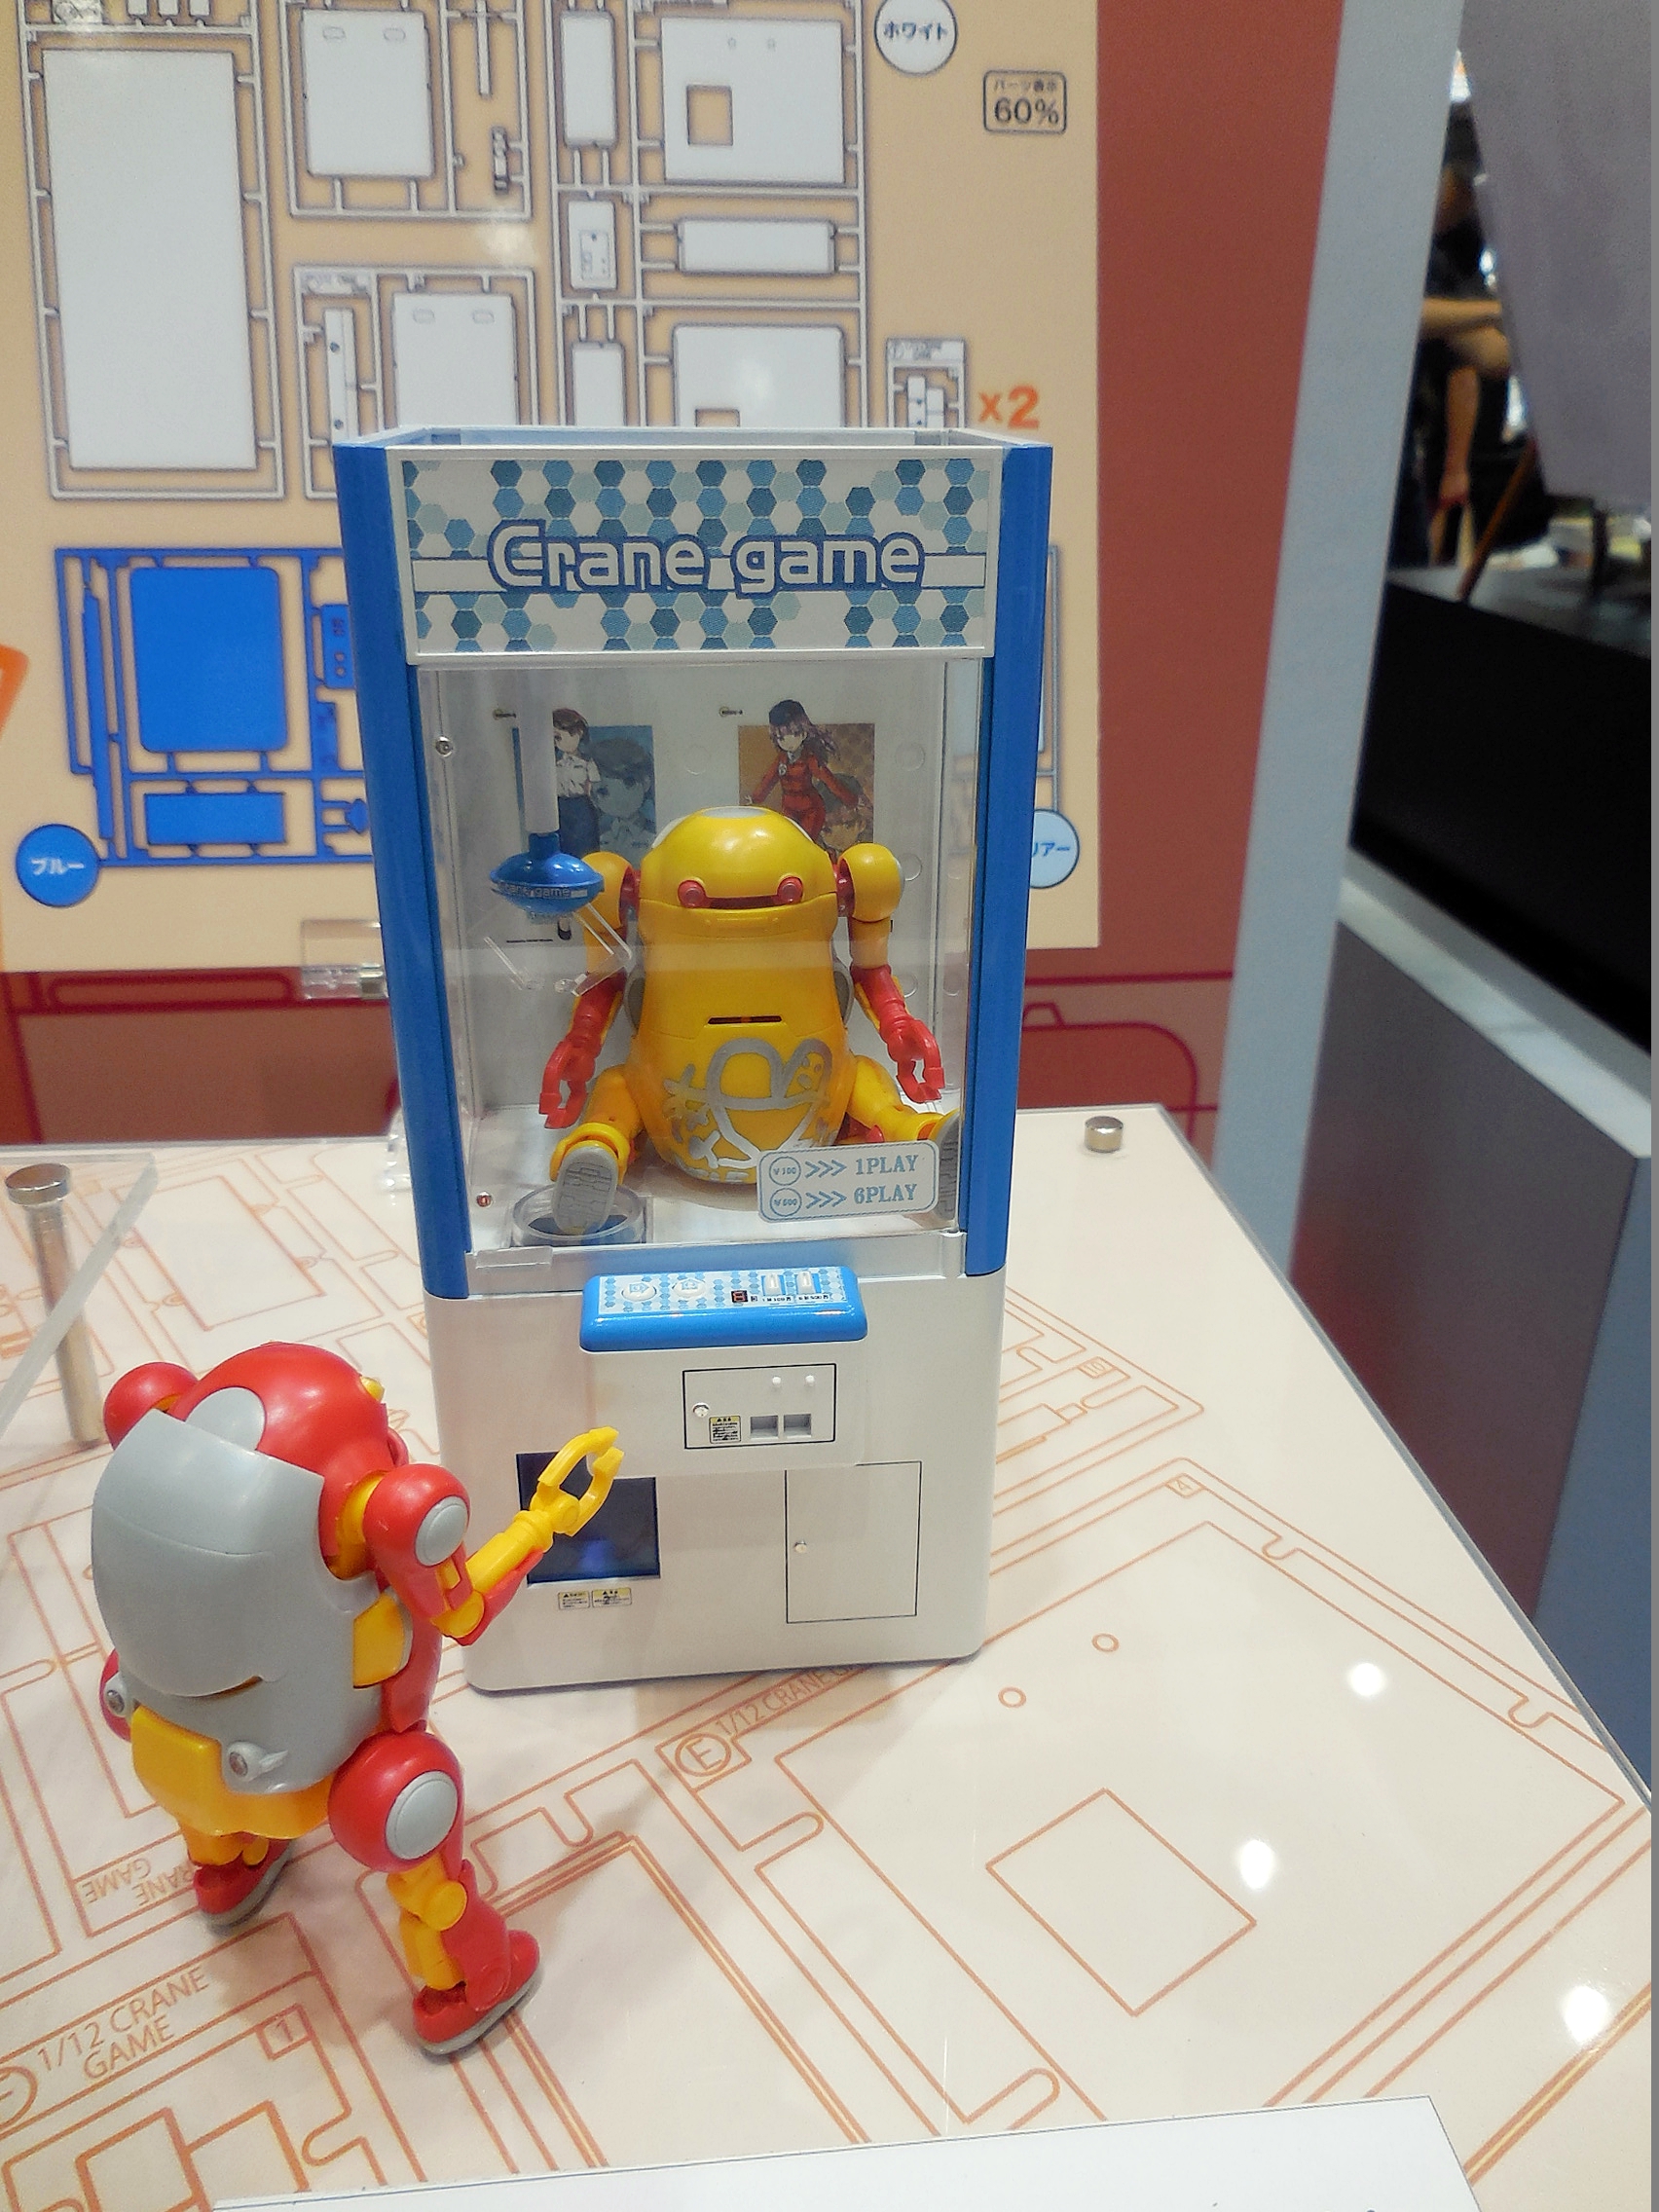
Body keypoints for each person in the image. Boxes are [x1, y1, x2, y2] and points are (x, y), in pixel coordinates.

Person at [748, 699, 861, 848]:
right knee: (788, 843)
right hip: (788, 809)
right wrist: (755, 798)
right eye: (781, 738)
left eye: (794, 734)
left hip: (811, 810)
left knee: (804, 846)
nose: (788, 742)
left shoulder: (810, 758)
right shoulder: (781, 759)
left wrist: (850, 799)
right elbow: (768, 779)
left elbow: (829, 780)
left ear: (804, 733)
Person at [590, 732, 656, 866]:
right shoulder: (600, 837)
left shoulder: (654, 835)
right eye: (602, 792)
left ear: (645, 783)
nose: (618, 799)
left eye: (628, 783)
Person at [551, 706, 600, 858]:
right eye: (555, 738)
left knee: (584, 846)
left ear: (578, 733)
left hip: (581, 807)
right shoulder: (556, 764)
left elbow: (593, 788)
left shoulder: (587, 763)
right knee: (563, 845)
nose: (557, 742)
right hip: (560, 807)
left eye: (559, 737)